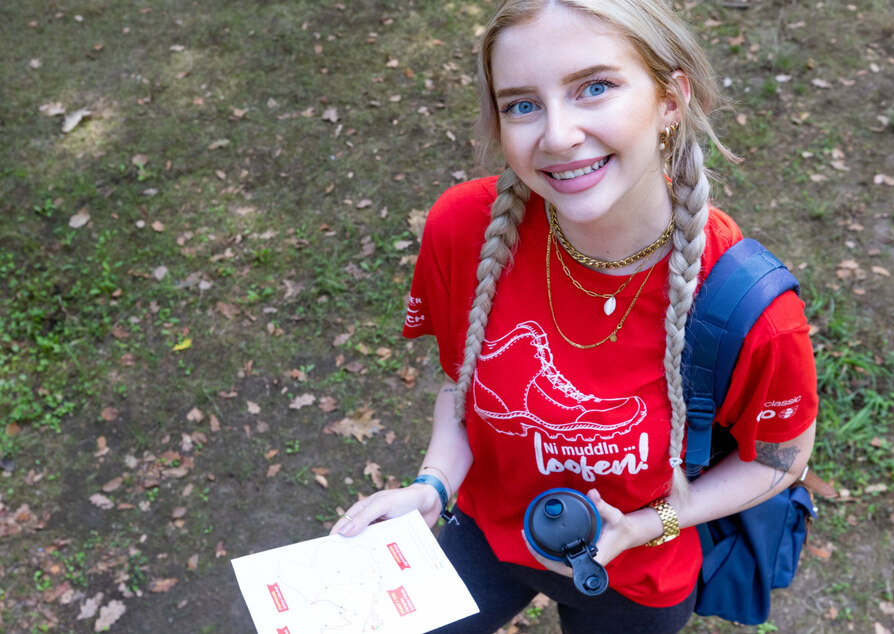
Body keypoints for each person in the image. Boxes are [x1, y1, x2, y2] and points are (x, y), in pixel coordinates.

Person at [332, 1, 818, 632]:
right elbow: (463, 384)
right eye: (522, 104)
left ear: (671, 99)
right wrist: (432, 487)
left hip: (637, 577)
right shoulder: (465, 231)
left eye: (594, 87)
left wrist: (649, 524)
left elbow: (781, 460)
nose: (556, 135)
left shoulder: (749, 307)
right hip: (487, 535)